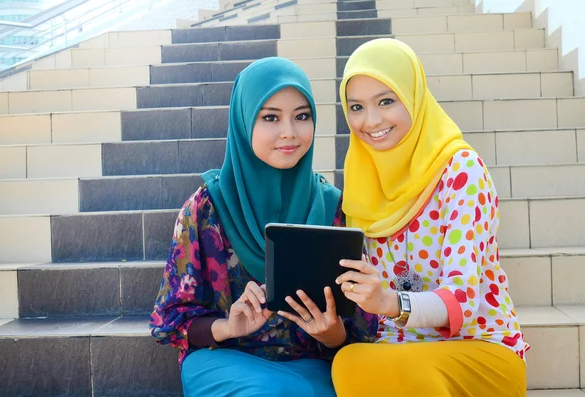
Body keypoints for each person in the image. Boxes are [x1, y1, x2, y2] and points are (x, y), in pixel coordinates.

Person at [149, 57, 377, 397]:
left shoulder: (334, 209)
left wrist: (332, 335)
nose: (289, 131)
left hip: (315, 366)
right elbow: (172, 320)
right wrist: (228, 326)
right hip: (223, 359)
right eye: (270, 117)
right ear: (243, 122)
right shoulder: (205, 209)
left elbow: (362, 325)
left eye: (302, 116)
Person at [332, 38, 529, 396]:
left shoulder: (461, 170)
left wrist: (390, 302)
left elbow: (463, 299)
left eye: (386, 101)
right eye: (356, 107)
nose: (371, 121)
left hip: (477, 348)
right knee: (349, 363)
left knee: (397, 375)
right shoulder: (359, 183)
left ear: (414, 97)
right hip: (396, 349)